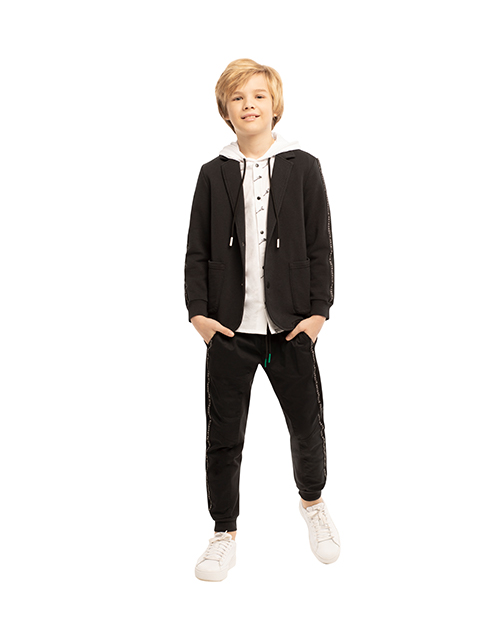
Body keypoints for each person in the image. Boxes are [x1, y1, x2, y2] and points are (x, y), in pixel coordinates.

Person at [184, 58, 340, 582]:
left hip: (291, 327)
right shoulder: (213, 173)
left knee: (307, 425)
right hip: (229, 330)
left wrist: (318, 313)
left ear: (275, 106)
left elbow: (320, 245)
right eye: (238, 98)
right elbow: (196, 249)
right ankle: (223, 533)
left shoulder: (303, 167)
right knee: (223, 436)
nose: (249, 104)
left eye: (258, 96)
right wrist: (199, 315)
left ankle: (313, 502)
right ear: (226, 111)